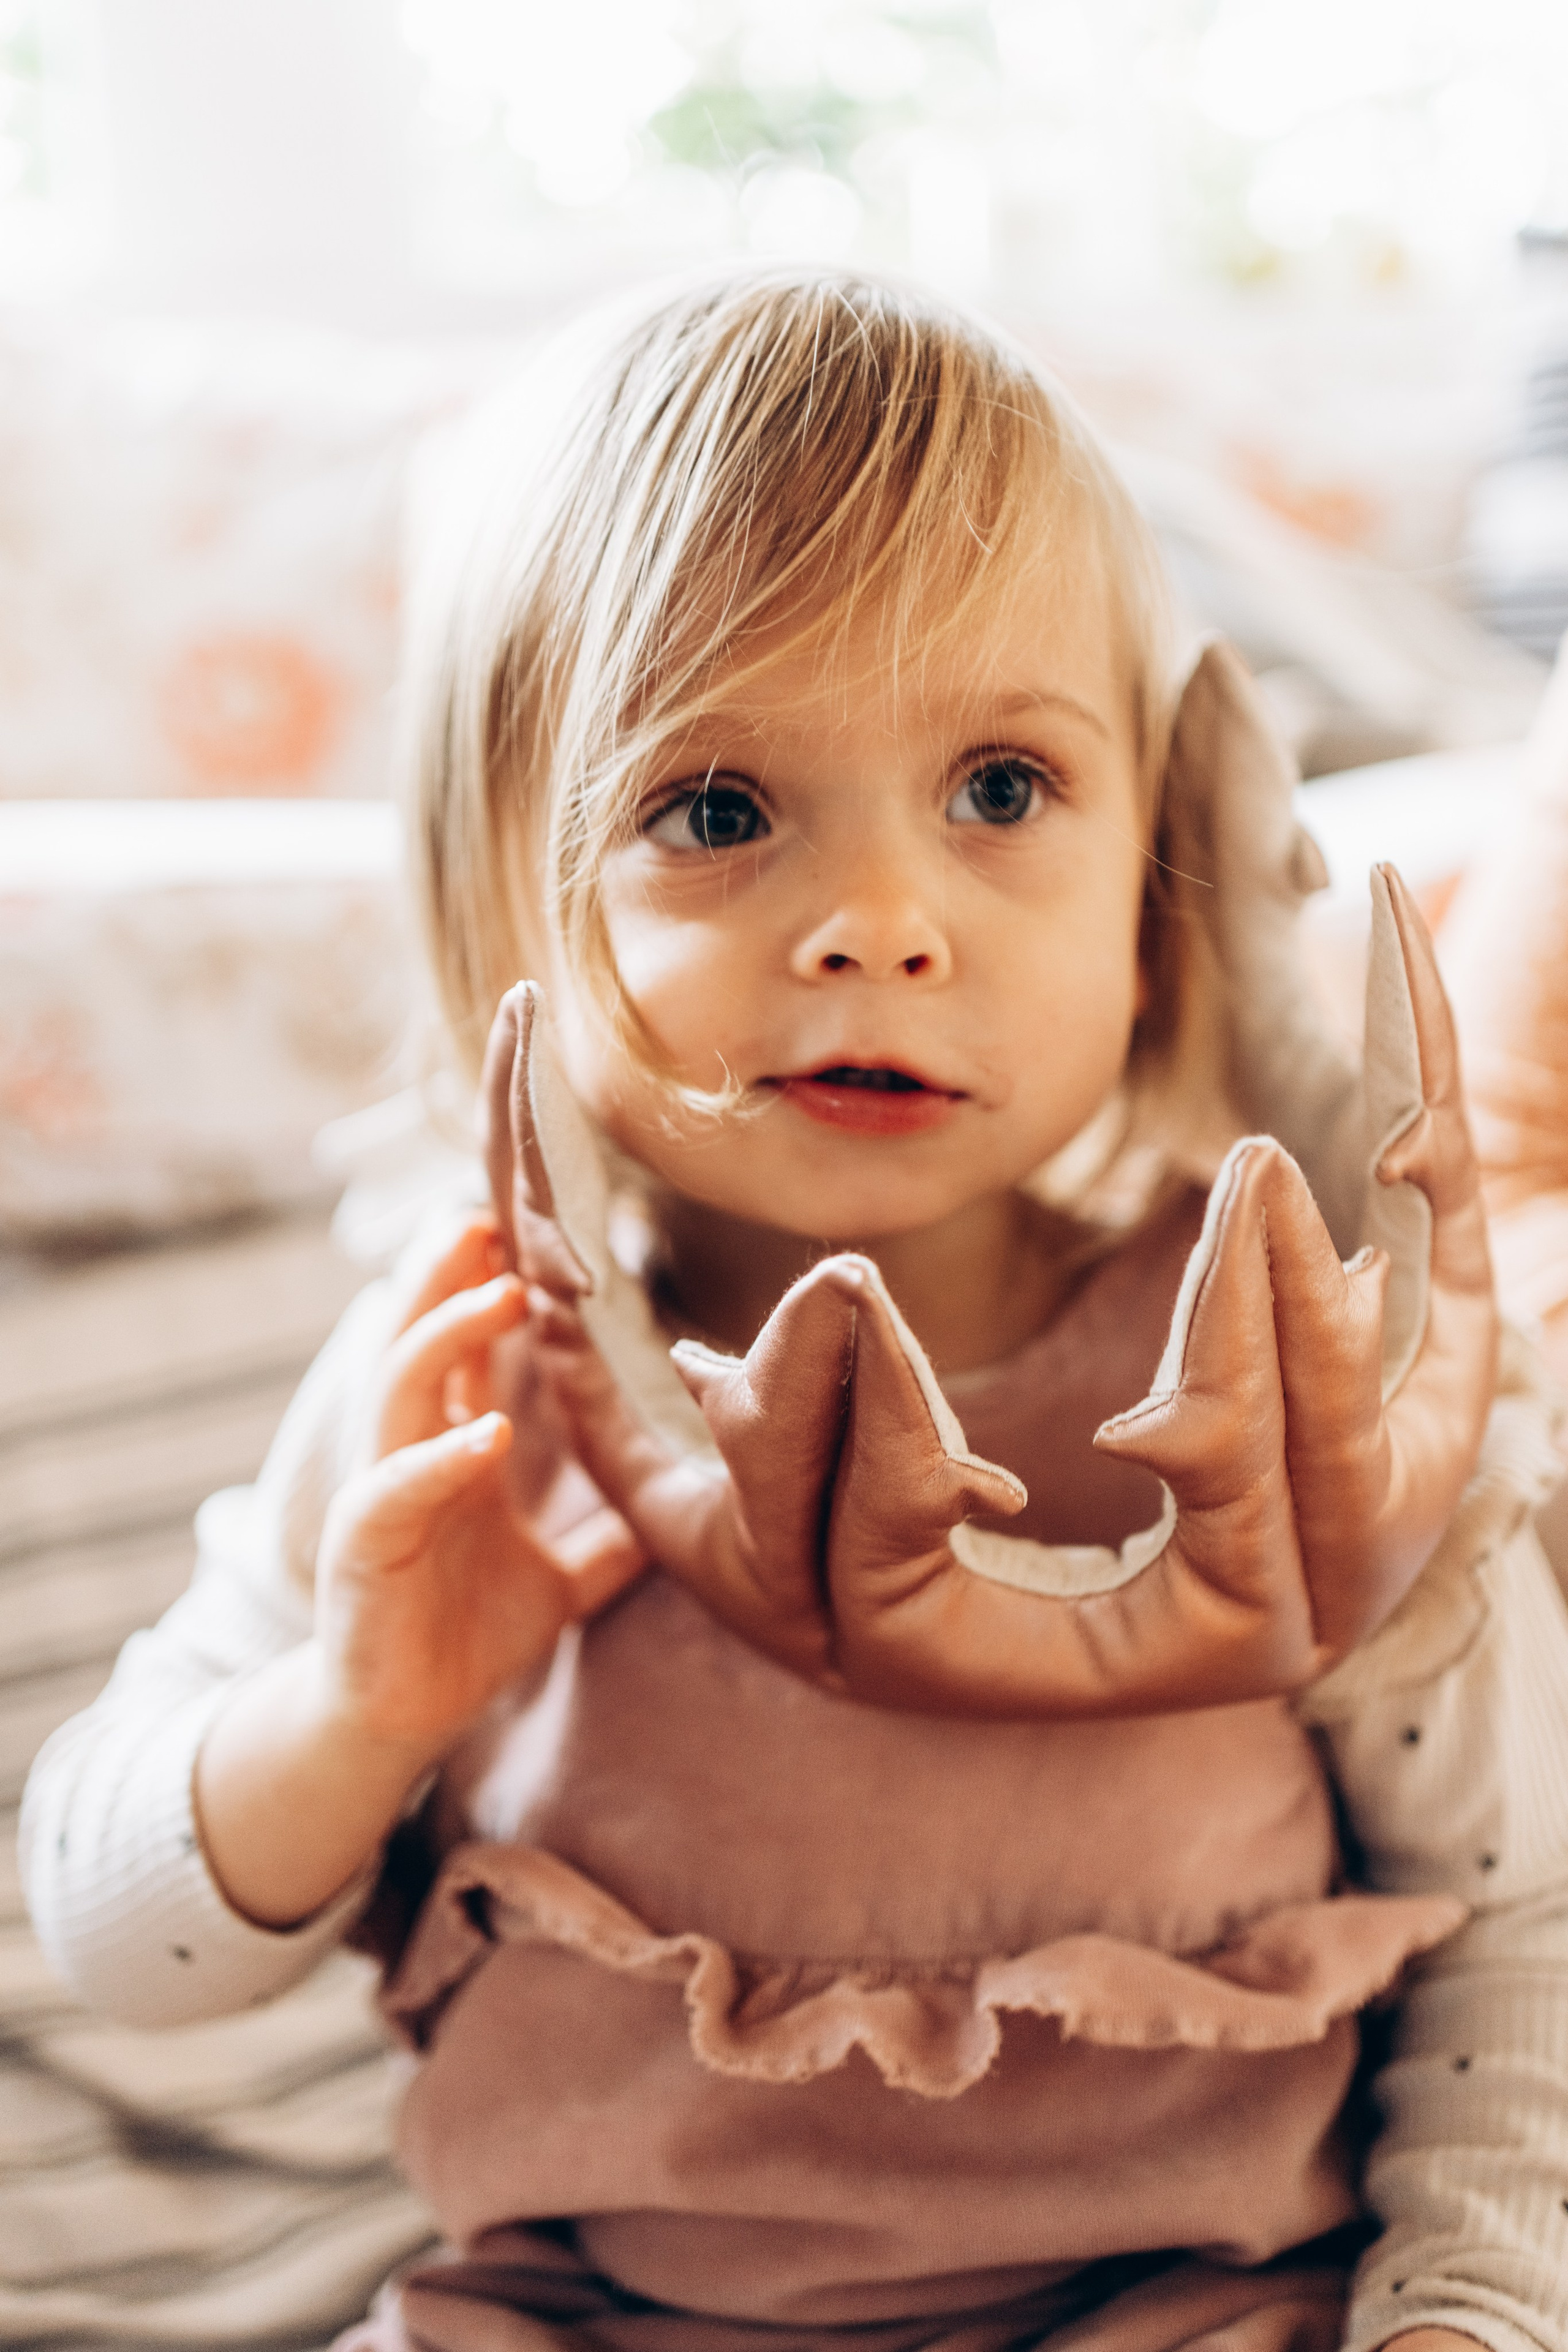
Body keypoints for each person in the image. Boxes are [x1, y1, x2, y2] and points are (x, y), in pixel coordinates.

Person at [21, 271, 1568, 2352]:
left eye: (1002, 790)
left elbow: (1527, 1927)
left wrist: (1466, 2312)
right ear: (503, 897)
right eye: (718, 811)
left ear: (1159, 866)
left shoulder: (1298, 1360)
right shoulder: (461, 1361)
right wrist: (352, 1714)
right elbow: (119, 1943)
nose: (878, 927)